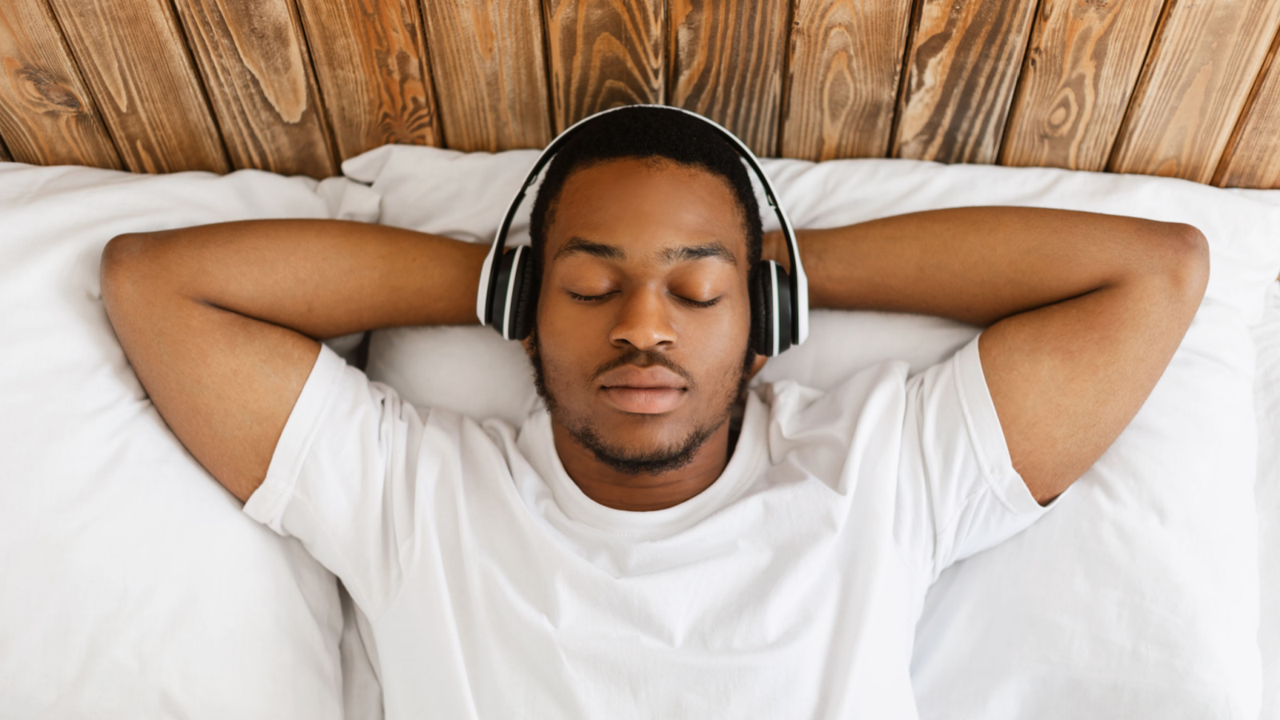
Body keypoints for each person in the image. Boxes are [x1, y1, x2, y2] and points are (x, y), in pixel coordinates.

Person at [99, 107, 1207, 718]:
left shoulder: (880, 470)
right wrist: (496, 283)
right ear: (531, 311)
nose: (643, 326)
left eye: (696, 290)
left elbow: (1152, 275)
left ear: (762, 317)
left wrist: (785, 269)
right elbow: (156, 285)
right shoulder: (415, 497)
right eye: (589, 287)